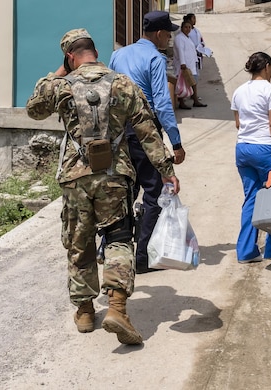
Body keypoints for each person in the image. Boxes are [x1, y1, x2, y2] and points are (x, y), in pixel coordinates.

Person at [26, 28, 179, 345]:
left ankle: (84, 312)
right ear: (95, 51)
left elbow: (34, 107)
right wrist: (166, 171)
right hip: (115, 176)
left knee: (79, 241)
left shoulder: (64, 85)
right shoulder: (123, 83)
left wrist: (58, 72)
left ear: (70, 56)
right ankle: (118, 309)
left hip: (75, 178)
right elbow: (147, 130)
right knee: (119, 237)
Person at [109, 10, 186, 274]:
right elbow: (163, 104)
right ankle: (142, 259)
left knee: (125, 192)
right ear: (160, 34)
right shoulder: (155, 57)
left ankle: (116, 250)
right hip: (144, 131)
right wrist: (175, 142)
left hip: (119, 132)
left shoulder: (118, 55)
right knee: (154, 193)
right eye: (168, 34)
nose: (169, 39)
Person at [230, 51, 271, 265]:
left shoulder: (239, 91)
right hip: (265, 148)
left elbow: (238, 124)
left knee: (251, 198)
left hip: (243, 149)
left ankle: (247, 251)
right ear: (266, 66)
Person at [173, 19, 207, 109]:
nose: (188, 29)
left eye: (189, 27)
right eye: (186, 27)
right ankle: (182, 102)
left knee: (193, 82)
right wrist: (183, 63)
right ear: (182, 28)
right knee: (183, 84)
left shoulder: (187, 37)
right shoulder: (179, 38)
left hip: (191, 64)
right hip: (184, 65)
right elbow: (180, 51)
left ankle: (195, 100)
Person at [185, 13, 205, 77]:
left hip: (197, 56)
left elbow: (201, 40)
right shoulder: (186, 32)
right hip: (190, 57)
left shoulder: (197, 31)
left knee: (195, 75)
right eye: (193, 18)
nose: (195, 20)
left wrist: (202, 46)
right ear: (189, 20)